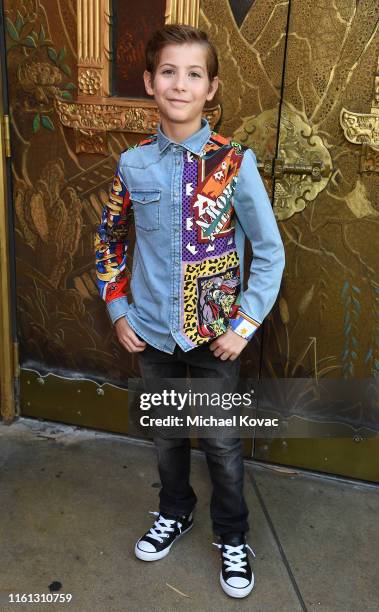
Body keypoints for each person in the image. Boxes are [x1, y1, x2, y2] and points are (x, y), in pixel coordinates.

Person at [94, 24, 285, 599]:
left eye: (194, 74)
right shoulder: (133, 165)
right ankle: (175, 512)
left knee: (223, 444)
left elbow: (269, 252)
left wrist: (244, 324)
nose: (180, 84)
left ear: (211, 88)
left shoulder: (233, 164)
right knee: (167, 437)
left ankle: (232, 535)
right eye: (169, 73)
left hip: (214, 337)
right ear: (151, 83)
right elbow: (110, 240)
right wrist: (120, 310)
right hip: (152, 332)